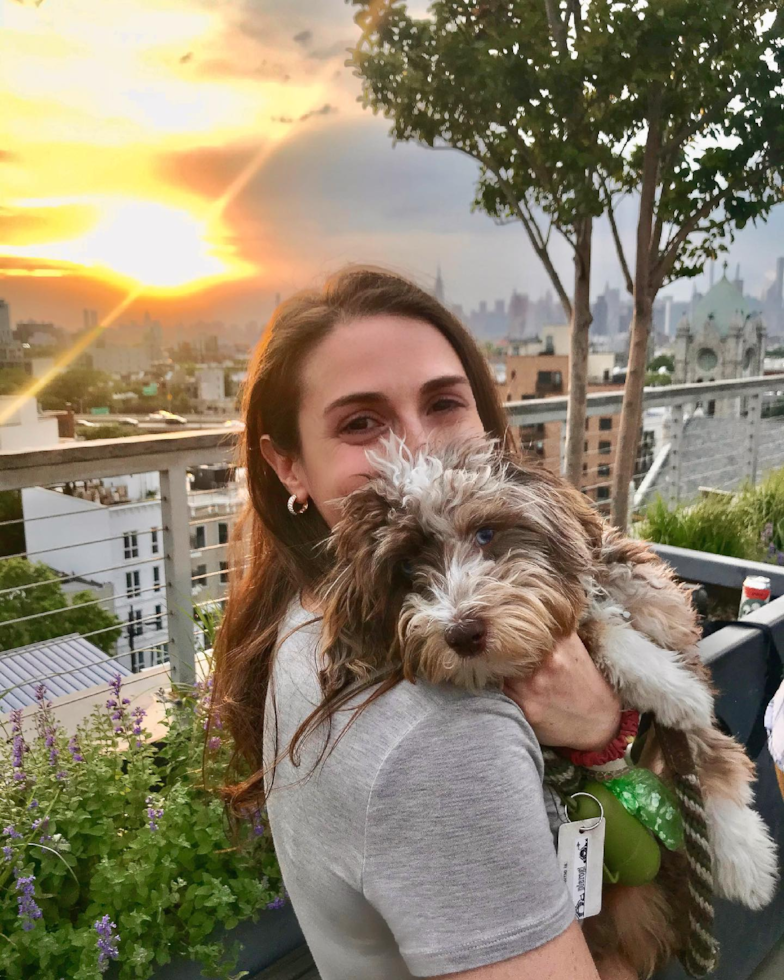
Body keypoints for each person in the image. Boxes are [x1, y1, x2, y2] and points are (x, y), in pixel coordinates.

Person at [211, 267, 629, 980]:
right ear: (288, 464)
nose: (419, 449)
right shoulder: (442, 733)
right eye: (361, 423)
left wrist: (601, 730)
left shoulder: (300, 613)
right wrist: (606, 738)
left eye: (443, 403)